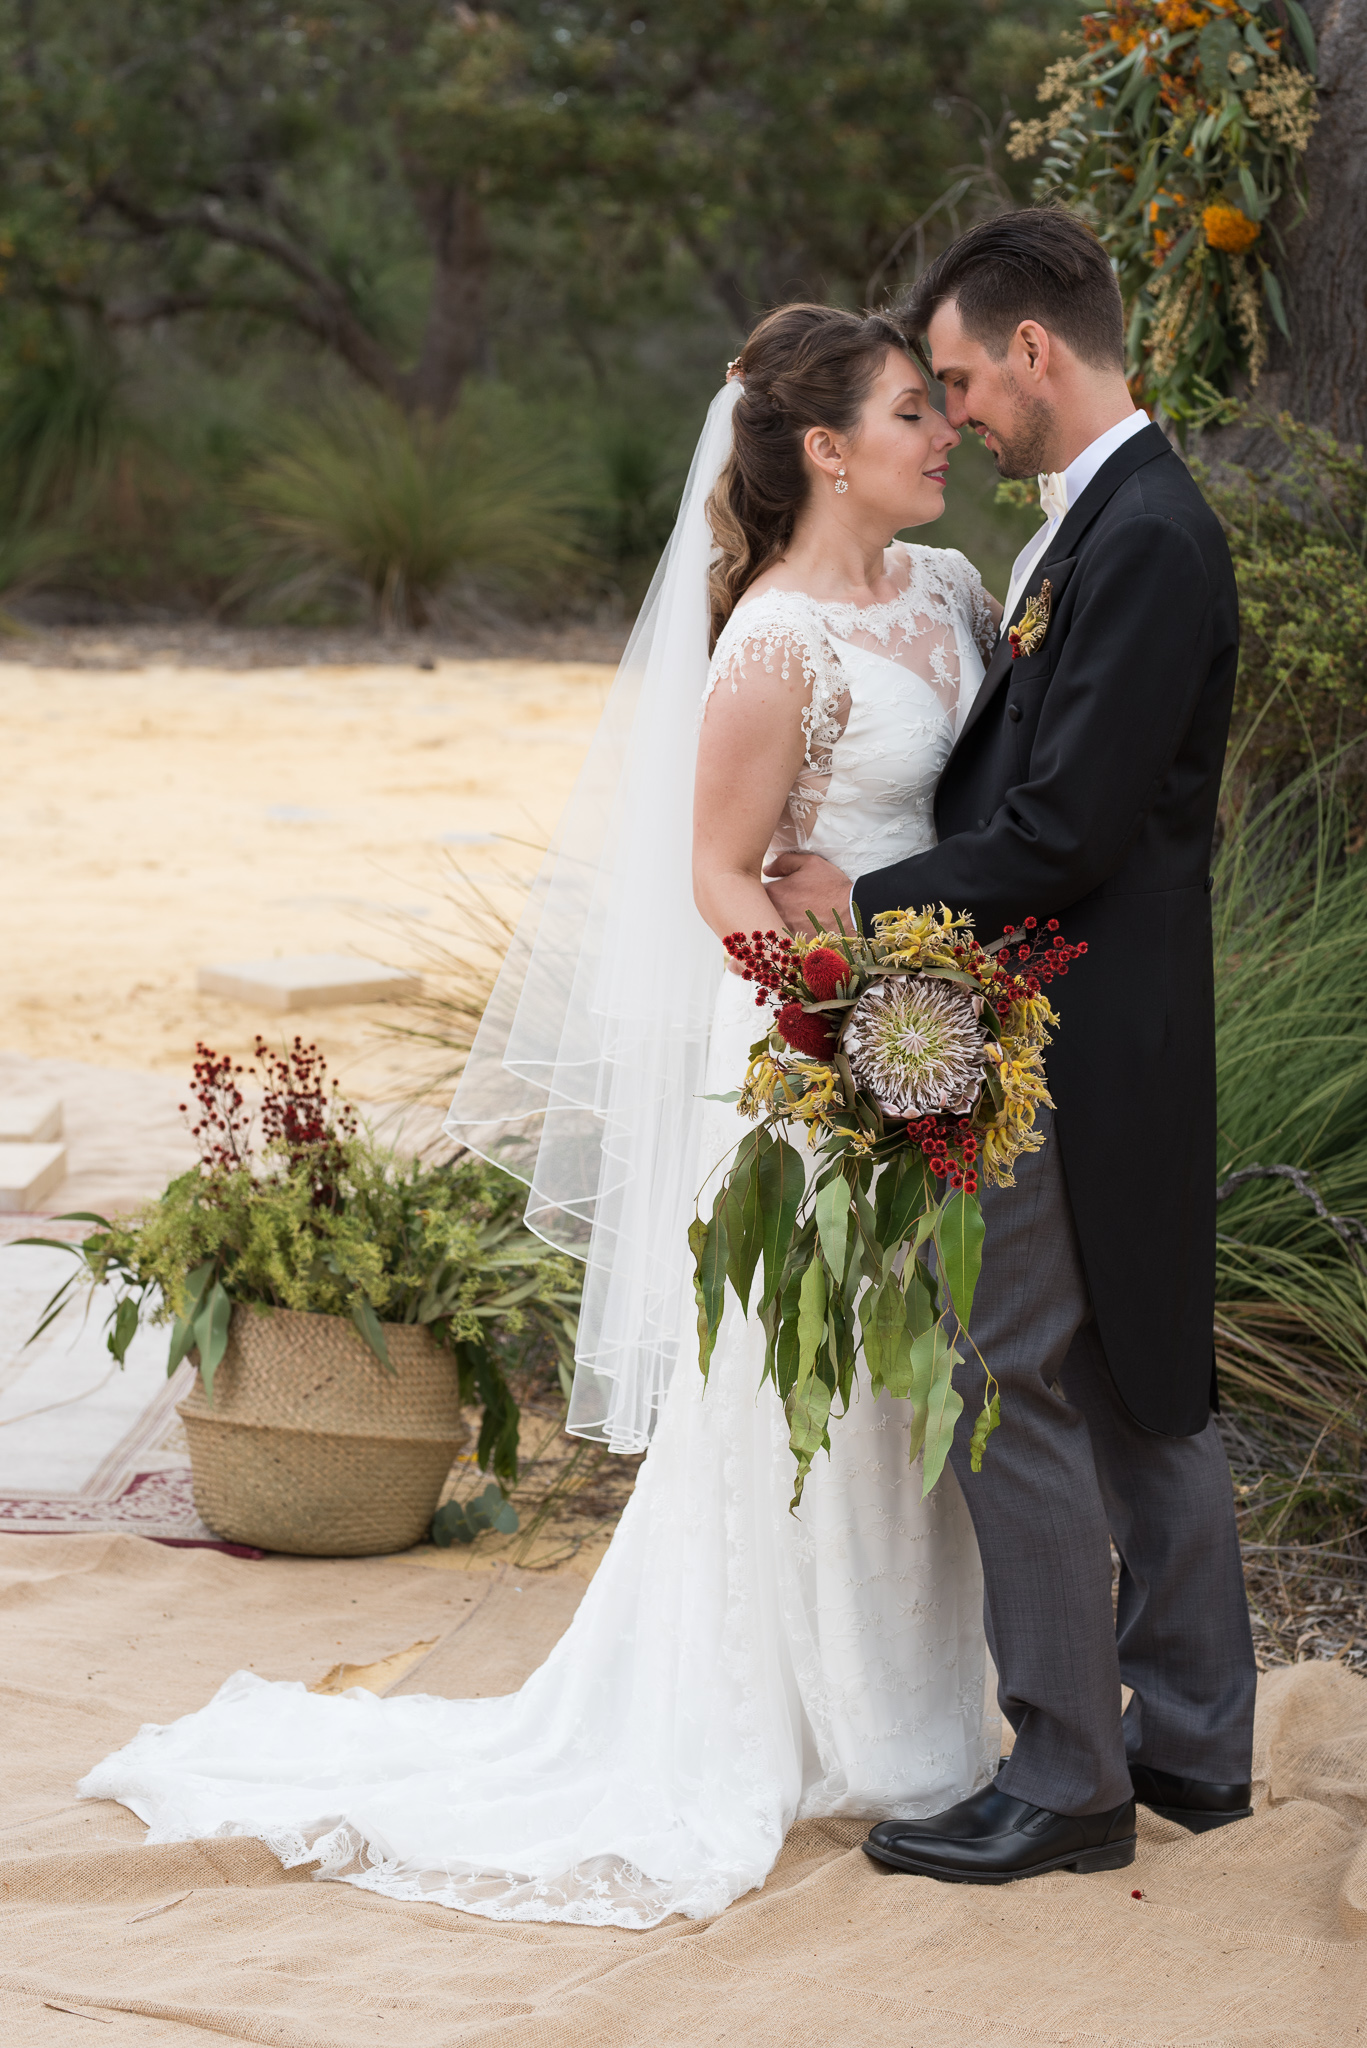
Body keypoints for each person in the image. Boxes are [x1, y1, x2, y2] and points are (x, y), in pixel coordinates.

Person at [79, 302, 1008, 1928]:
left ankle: (928, 1713)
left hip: (935, 1039)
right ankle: (786, 1720)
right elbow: (719, 873)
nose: (947, 434)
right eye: (915, 411)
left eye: (944, 410)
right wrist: (834, 1011)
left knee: (909, 1371)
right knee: (805, 1373)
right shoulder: (774, 642)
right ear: (826, 449)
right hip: (812, 1061)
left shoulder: (951, 592)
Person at [766, 209, 1258, 1885]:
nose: (958, 413)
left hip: (1064, 1020)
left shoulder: (1145, 540)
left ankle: (1067, 1777)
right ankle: (1192, 1745)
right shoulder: (1096, 523)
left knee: (1012, 1372)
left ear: (1036, 350)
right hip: (1096, 1012)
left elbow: (1057, 833)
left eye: (964, 378)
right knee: (1139, 1370)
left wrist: (858, 901)